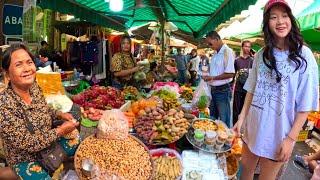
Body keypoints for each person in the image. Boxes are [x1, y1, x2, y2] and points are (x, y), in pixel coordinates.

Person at [232, 0, 319, 179]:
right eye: (273, 17)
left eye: (284, 16)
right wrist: (241, 118)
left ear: (291, 19)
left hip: (279, 134)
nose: (280, 21)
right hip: (253, 127)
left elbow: (305, 104)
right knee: (245, 172)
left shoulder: (304, 56)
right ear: (267, 23)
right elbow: (251, 89)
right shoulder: (261, 55)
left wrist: (290, 139)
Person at [0, 43, 80, 179]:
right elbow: (29, 143)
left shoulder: (34, 88)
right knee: (35, 171)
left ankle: (47, 164)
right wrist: (60, 131)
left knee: (75, 136)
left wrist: (59, 114)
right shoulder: (4, 105)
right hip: (25, 158)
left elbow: (44, 108)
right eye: (19, 65)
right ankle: (16, 172)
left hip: (47, 146)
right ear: (7, 73)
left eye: (29, 62)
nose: (27, 69)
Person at [202, 31, 235, 128]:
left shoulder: (227, 52)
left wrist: (213, 77)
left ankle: (225, 142)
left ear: (216, 39)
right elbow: (215, 71)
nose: (209, 46)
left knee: (224, 120)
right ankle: (213, 140)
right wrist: (207, 75)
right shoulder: (215, 53)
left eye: (210, 43)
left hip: (223, 91)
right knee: (212, 118)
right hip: (213, 90)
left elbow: (231, 74)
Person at [232, 41, 253, 124]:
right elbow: (233, 74)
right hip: (238, 87)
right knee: (236, 109)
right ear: (242, 47)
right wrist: (231, 86)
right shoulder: (237, 60)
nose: (247, 48)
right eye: (245, 46)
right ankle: (234, 125)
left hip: (248, 89)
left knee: (245, 109)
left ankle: (242, 127)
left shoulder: (252, 61)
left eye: (249, 47)